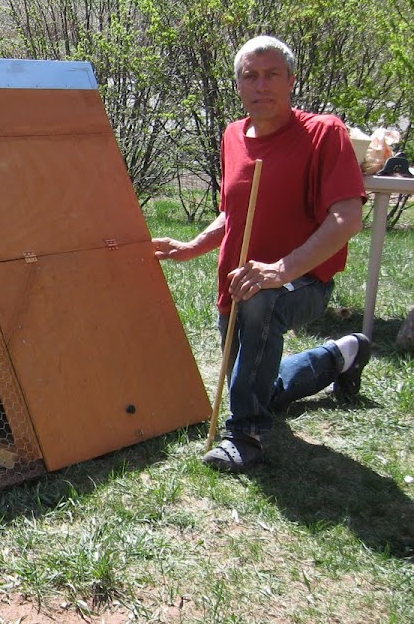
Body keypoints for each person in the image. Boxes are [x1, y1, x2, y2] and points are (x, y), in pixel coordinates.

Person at [152, 35, 370, 473]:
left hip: (302, 281)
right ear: (238, 86)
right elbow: (231, 212)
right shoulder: (233, 135)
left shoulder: (324, 132)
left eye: (272, 74)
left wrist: (280, 270)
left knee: (257, 317)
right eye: (250, 76)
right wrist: (194, 245)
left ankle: (246, 434)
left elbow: (347, 218)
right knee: (252, 384)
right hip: (238, 284)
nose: (261, 84)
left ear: (291, 80)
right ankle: (342, 354)